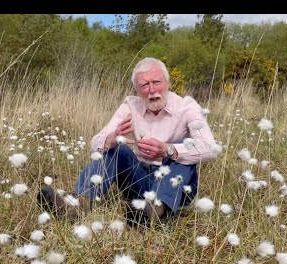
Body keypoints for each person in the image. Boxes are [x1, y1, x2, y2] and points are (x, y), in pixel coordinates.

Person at [38, 57, 218, 226]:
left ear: (168, 83)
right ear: (137, 90)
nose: (152, 90)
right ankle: (77, 204)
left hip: (177, 186)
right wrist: (113, 137)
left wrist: (168, 150)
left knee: (182, 146)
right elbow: (96, 144)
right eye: (144, 85)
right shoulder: (131, 106)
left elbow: (210, 148)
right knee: (117, 148)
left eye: (156, 82)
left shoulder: (187, 106)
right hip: (139, 180)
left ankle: (158, 209)